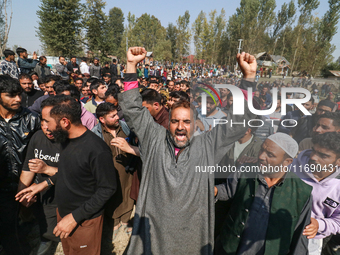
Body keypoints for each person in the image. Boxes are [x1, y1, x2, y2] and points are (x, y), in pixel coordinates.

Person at [118, 47, 256, 255]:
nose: (180, 127)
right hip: (152, 238)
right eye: (175, 121)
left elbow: (237, 124)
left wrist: (249, 77)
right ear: (169, 123)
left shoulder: (207, 145)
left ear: (195, 124)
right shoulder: (154, 138)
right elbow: (133, 109)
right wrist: (130, 66)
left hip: (191, 240)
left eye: (186, 121)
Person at [40, 95, 116, 255]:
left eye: (48, 121)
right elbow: (69, 172)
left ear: (65, 122)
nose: (46, 127)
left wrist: (74, 217)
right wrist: (42, 185)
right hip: (66, 216)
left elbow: (107, 188)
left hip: (84, 221)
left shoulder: (97, 150)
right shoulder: (66, 140)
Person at [214, 133, 313, 255]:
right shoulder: (246, 171)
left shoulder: (301, 192)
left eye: (270, 154)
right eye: (262, 149)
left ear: (287, 161)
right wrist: (215, 191)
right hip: (231, 248)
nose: (261, 156)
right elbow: (229, 190)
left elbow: (300, 235)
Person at [0, 75, 40, 255]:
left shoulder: (32, 119)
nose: (18, 99)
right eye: (11, 95)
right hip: (2, 188)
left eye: (19, 94)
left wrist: (34, 185)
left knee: (22, 232)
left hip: (26, 187)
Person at [16, 99, 61, 255]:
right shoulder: (37, 137)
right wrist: (23, 194)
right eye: (43, 121)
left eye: (50, 122)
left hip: (66, 198)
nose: (46, 128)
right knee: (46, 232)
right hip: (44, 196)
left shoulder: (71, 141)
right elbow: (29, 168)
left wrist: (48, 169)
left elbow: (76, 174)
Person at [92, 103, 137, 241]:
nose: (117, 117)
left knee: (128, 194)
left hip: (128, 170)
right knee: (113, 197)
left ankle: (125, 220)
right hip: (108, 175)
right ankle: (115, 223)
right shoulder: (95, 134)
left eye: (116, 114)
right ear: (102, 119)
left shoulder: (124, 127)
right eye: (113, 116)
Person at [292, 132, 340, 255]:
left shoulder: (338, 186)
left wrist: (319, 224)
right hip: (276, 230)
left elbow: (338, 221)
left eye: (323, 155)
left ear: (338, 161)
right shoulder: (290, 167)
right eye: (314, 150)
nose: (313, 157)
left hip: (311, 241)